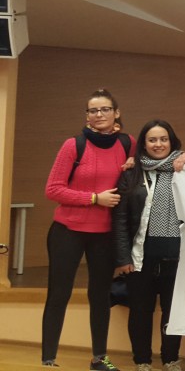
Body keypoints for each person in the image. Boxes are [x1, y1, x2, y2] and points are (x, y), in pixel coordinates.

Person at [42, 89, 136, 370]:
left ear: (116, 113)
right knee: (59, 294)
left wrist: (136, 163)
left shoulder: (128, 143)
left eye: (105, 109)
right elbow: (53, 189)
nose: (99, 114)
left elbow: (151, 161)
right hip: (67, 230)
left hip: (105, 234)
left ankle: (99, 358)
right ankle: (48, 359)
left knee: (100, 296)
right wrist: (95, 198)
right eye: (93, 110)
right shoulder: (73, 145)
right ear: (87, 116)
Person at [113, 120, 185, 371]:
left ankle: (171, 359)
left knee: (173, 312)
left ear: (172, 142)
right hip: (141, 256)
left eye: (163, 139)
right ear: (144, 143)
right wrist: (122, 258)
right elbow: (120, 219)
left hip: (177, 255)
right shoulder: (131, 172)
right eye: (152, 140)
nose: (158, 144)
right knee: (140, 311)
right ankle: (142, 361)